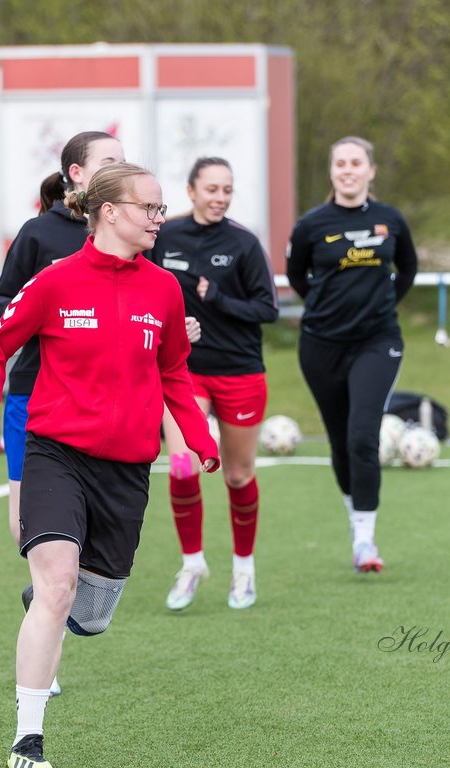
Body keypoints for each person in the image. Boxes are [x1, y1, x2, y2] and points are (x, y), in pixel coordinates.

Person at [0, 162, 220, 768]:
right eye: (149, 208)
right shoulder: (55, 282)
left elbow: (175, 373)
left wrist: (198, 437)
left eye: (159, 209)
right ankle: (27, 738)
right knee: (57, 586)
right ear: (108, 211)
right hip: (56, 453)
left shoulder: (163, 289)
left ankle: (50, 602)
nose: (159, 219)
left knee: (90, 613)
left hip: (128, 468)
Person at [0, 132, 123, 699]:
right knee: (28, 525)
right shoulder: (40, 234)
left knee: (88, 535)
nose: (122, 168)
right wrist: (47, 314)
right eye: (109, 162)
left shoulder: (128, 233)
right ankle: (45, 617)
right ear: (76, 174)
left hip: (103, 404)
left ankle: (52, 598)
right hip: (34, 397)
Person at [285, 135, 417, 573]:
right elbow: (298, 277)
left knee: (363, 436)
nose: (347, 170)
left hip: (378, 342)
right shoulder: (310, 224)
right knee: (340, 441)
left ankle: (365, 540)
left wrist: (377, 308)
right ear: (331, 171)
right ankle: (354, 517)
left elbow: (408, 271)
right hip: (320, 345)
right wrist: (330, 311)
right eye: (340, 163)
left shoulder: (390, 219)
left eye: (355, 162)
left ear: (370, 170)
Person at [153, 157, 279, 611]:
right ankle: (192, 564)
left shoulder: (244, 243)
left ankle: (243, 569)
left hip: (240, 370)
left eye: (227, 189)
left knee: (237, 474)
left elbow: (268, 309)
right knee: (183, 465)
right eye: (211, 189)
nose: (219, 197)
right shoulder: (165, 237)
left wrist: (219, 299)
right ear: (190, 191)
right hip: (183, 371)